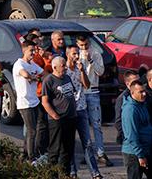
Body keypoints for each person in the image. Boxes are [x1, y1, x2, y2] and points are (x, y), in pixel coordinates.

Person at [66, 45, 102, 178]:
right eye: (74, 54)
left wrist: (82, 71)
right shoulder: (64, 71)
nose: (76, 56)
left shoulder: (79, 69)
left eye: (77, 54)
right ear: (68, 54)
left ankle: (95, 172)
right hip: (69, 111)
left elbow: (86, 85)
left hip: (81, 109)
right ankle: (72, 172)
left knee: (87, 143)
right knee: (70, 143)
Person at [79, 34, 111, 166]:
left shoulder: (96, 54)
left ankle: (100, 153)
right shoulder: (76, 54)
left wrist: (91, 60)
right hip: (81, 93)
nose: (84, 47)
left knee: (97, 124)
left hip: (93, 91)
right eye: (81, 45)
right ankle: (88, 153)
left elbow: (101, 72)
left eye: (86, 45)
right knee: (84, 126)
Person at [43, 56, 78, 174]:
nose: (66, 67)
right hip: (57, 120)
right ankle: (51, 174)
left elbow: (71, 94)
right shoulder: (49, 80)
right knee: (55, 149)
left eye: (65, 65)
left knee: (68, 150)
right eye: (63, 66)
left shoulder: (67, 77)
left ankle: (65, 174)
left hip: (70, 118)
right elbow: (45, 101)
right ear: (54, 67)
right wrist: (55, 116)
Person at [13, 40, 44, 162]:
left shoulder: (32, 64)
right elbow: (24, 74)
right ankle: (32, 158)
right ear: (24, 50)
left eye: (34, 50)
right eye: (31, 50)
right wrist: (33, 77)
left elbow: (44, 73)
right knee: (32, 130)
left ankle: (24, 154)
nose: (33, 53)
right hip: (25, 103)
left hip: (34, 101)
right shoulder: (19, 64)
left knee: (31, 129)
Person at [122, 79, 152, 179]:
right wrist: (140, 156)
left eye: (144, 91)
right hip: (134, 155)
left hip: (146, 150)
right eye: (140, 92)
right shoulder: (130, 110)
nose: (144, 94)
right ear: (132, 92)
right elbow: (131, 135)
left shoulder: (142, 104)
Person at [119, 71, 143, 144]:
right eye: (135, 81)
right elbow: (118, 122)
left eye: (139, 80)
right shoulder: (122, 99)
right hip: (131, 142)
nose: (138, 83)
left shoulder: (143, 96)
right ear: (127, 84)